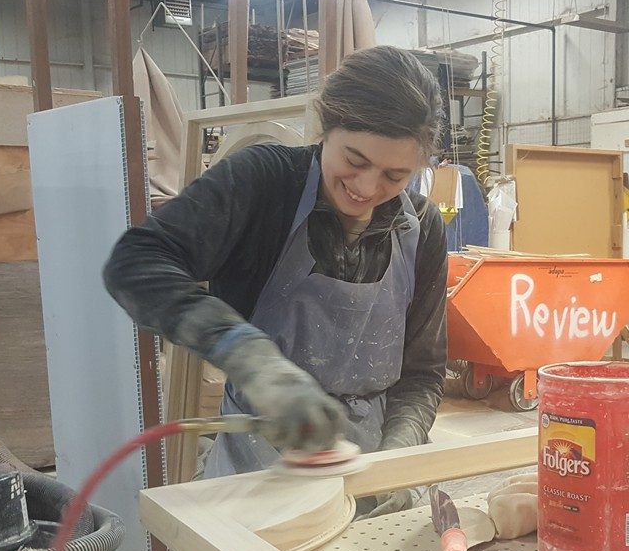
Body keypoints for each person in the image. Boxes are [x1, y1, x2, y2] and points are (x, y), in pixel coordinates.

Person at [104, 46, 447, 518]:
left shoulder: (423, 228)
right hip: (259, 472)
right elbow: (135, 260)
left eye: (394, 175)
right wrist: (250, 358)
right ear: (325, 127)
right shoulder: (265, 183)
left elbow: (422, 372)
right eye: (355, 159)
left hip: (373, 476)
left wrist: (399, 458)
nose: (367, 188)